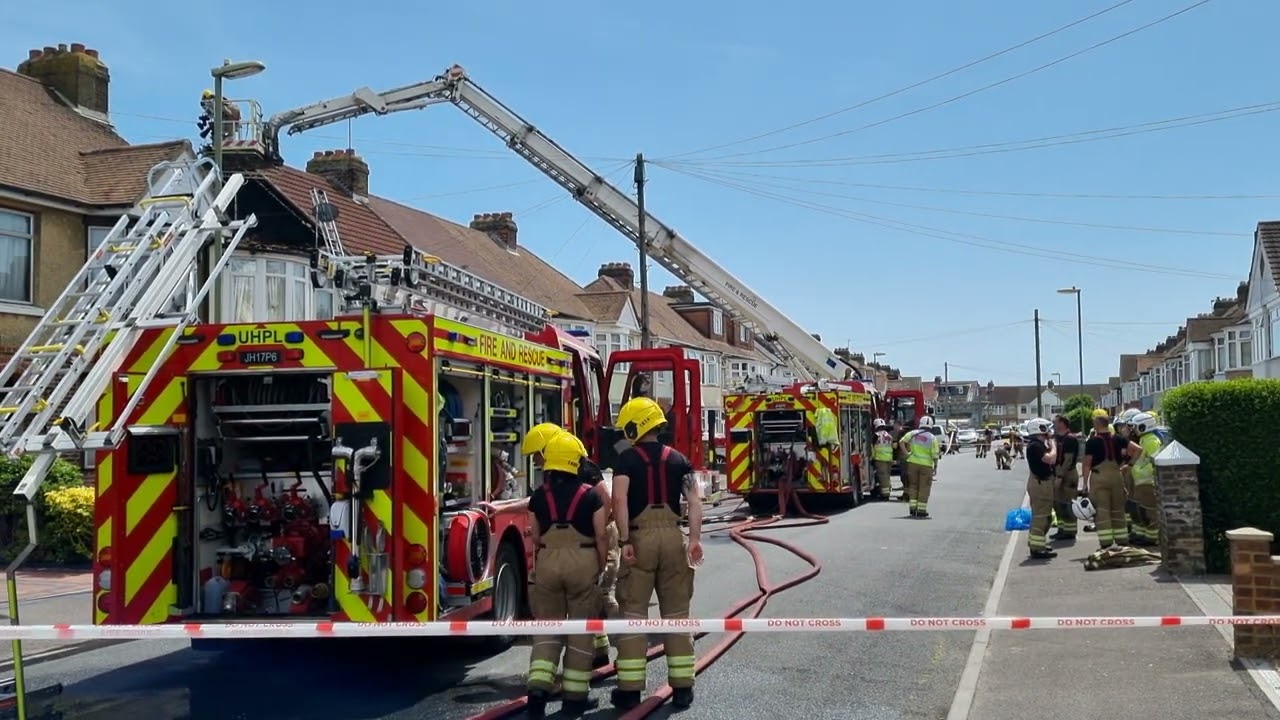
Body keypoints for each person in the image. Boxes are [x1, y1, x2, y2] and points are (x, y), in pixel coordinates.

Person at [610, 397, 703, 711]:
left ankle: (630, 690)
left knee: (634, 614)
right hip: (673, 537)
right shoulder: (680, 460)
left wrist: (625, 540)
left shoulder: (626, 461)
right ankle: (683, 689)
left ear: (637, 425)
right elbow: (695, 502)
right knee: (677, 614)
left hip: (639, 537)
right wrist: (693, 540)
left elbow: (619, 501)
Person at [523, 432, 609, 718]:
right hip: (583, 560)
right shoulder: (591, 495)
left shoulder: (538, 496)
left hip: (547, 562)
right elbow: (600, 536)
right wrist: (599, 567)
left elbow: (534, 537)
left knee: (547, 629)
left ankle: (537, 690)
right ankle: (574, 698)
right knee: (581, 631)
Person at [1080, 414, 1142, 549]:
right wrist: (1129, 466)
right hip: (1116, 476)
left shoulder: (1092, 442)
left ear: (1097, 424)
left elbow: (1086, 464)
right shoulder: (1118, 439)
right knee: (1118, 509)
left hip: (1099, 477)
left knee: (1102, 510)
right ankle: (1122, 540)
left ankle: (1106, 543)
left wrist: (1085, 483)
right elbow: (1138, 449)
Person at [1023, 418, 1059, 559]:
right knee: (1041, 517)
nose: (1049, 431)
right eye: (1046, 428)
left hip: (1043, 483)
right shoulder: (1035, 446)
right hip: (1040, 484)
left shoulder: (1038, 444)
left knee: (1046, 516)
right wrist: (1054, 446)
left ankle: (1038, 544)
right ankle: (1037, 549)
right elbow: (1050, 459)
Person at [1127, 412, 1164, 547]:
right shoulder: (1145, 440)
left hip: (1147, 482)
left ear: (1143, 426)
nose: (1133, 430)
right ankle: (1145, 536)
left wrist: (1139, 471)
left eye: (1135, 427)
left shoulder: (1152, 441)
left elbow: (1154, 461)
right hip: (1141, 482)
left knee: (1150, 511)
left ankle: (1152, 538)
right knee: (1142, 511)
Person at [898, 414, 942, 518]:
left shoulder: (912, 434)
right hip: (926, 466)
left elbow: (901, 442)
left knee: (913, 486)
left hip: (912, 464)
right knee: (924, 487)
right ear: (931, 425)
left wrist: (906, 453)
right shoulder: (932, 438)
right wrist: (935, 466)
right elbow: (935, 454)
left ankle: (913, 508)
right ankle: (921, 510)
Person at [1050, 415, 1081, 542]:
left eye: (1056, 422)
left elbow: (1068, 460)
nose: (1054, 424)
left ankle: (1070, 531)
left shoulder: (1070, 439)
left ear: (1062, 423)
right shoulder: (1056, 438)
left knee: (1068, 504)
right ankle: (1062, 529)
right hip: (1057, 473)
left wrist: (1060, 476)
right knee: (1058, 504)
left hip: (1067, 474)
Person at [871, 418, 895, 500]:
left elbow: (872, 447)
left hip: (880, 459)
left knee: (882, 477)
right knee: (887, 476)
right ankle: (887, 490)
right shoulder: (888, 435)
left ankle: (885, 495)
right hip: (889, 459)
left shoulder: (876, 435)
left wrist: (872, 457)